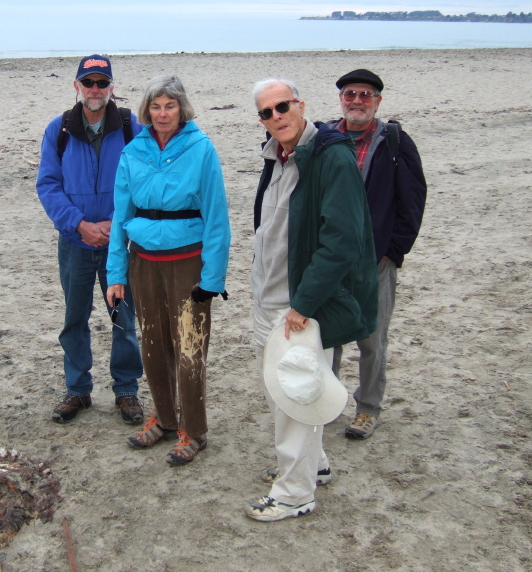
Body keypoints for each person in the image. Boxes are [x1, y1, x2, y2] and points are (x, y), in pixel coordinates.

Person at [245, 78, 377, 521]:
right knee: (286, 387)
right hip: (270, 294)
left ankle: (294, 493)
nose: (276, 116)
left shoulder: (331, 157)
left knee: (294, 393)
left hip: (297, 301)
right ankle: (313, 464)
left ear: (300, 105)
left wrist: (303, 303)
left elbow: (342, 241)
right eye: (266, 112)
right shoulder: (277, 155)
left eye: (282, 106)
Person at [106, 75, 230, 466]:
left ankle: (193, 430)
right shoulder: (133, 152)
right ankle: (164, 418)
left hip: (188, 263)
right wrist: (116, 274)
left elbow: (217, 219)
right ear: (147, 110)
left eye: (170, 106)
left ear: (182, 109)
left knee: (190, 349)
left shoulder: (201, 148)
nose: (163, 114)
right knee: (153, 345)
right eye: (156, 106)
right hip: (144, 264)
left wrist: (212, 279)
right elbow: (120, 214)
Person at [36, 54, 145, 426]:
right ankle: (78, 389)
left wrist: (118, 224)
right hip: (75, 243)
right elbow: (48, 185)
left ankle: (126, 390)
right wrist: (78, 224)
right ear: (77, 87)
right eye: (89, 82)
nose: (95, 90)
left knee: (124, 317)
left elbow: (145, 181)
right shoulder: (60, 129)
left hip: (120, 244)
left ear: (112, 87)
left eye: (102, 83)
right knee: (74, 319)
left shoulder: (132, 127)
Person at [327, 69, 427, 440]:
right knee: (328, 338)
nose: (356, 101)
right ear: (341, 99)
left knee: (371, 340)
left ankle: (368, 408)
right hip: (331, 261)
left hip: (376, 262)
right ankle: (329, 400)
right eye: (350, 94)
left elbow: (412, 201)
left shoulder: (395, 143)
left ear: (377, 101)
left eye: (365, 95)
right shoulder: (324, 138)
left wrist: (393, 251)